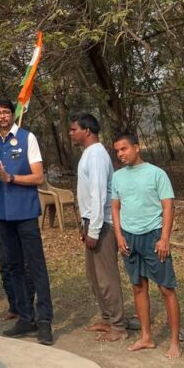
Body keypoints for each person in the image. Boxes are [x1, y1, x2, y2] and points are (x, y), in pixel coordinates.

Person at [0, 96, 54, 346]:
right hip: (3, 215)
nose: (2, 116)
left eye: (5, 112)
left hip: (25, 212)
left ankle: (44, 321)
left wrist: (10, 177)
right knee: (12, 267)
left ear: (13, 114)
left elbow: (38, 177)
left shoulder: (27, 138)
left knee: (35, 266)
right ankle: (25, 317)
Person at [111, 133, 182, 359]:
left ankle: (174, 341)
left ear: (137, 147)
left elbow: (168, 207)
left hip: (153, 236)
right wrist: (119, 235)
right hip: (129, 238)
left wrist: (164, 238)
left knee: (166, 289)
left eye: (124, 149)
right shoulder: (118, 177)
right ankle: (146, 337)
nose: (121, 154)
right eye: (117, 151)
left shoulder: (156, 174)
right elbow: (115, 208)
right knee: (138, 286)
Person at [69, 115, 126, 341]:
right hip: (91, 221)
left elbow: (99, 192)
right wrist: (85, 225)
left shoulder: (97, 155)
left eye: (74, 129)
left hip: (102, 224)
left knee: (106, 277)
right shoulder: (88, 154)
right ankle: (106, 317)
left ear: (88, 130)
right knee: (93, 276)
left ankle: (119, 325)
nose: (71, 133)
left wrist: (93, 230)